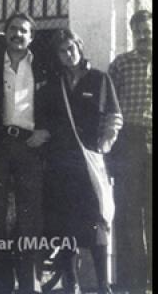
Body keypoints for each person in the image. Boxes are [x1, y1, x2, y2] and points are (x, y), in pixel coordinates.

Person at [44, 29, 123, 294]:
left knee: (97, 222)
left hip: (90, 162)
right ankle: (70, 282)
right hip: (60, 163)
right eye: (62, 51)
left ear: (80, 46)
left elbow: (114, 117)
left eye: (71, 48)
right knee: (65, 223)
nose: (68, 54)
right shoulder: (54, 85)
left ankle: (102, 285)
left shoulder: (99, 79)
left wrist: (105, 144)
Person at [0, 12, 52, 294]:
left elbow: (56, 102)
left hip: (30, 146)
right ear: (5, 32)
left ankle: (29, 285)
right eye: (13, 29)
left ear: (31, 37)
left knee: (29, 218)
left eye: (24, 31)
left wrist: (46, 132)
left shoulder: (44, 65)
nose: (17, 34)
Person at [107, 10, 152, 294]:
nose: (144, 36)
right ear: (132, 33)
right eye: (139, 32)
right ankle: (131, 284)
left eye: (148, 30)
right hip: (129, 143)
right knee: (128, 215)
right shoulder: (121, 64)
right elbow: (109, 109)